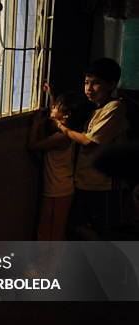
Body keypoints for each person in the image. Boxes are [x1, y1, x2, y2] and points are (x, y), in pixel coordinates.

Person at [52, 58, 129, 238]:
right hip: (85, 181)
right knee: (79, 227)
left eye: (96, 83)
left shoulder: (114, 108)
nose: (89, 88)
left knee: (102, 231)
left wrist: (62, 128)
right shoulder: (95, 108)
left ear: (111, 85)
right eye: (86, 82)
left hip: (103, 185)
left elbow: (89, 141)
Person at [28, 92, 93, 240]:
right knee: (53, 229)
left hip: (57, 190)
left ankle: (47, 262)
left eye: (56, 107)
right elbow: (55, 121)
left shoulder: (60, 137)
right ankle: (49, 261)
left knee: (50, 230)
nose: (52, 109)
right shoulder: (66, 134)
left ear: (66, 115)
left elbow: (32, 146)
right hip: (61, 188)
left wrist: (35, 124)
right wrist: (51, 95)